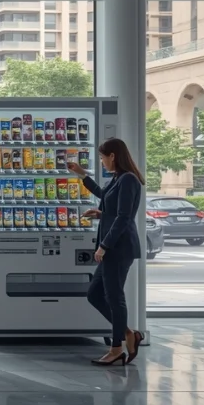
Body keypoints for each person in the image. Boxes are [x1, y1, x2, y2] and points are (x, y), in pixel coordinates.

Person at [68, 137, 145, 366]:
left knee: (114, 298)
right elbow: (106, 198)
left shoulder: (128, 180)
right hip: (114, 247)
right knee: (94, 294)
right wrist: (82, 175)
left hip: (119, 248)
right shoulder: (119, 178)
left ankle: (116, 348)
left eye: (103, 158)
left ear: (113, 156)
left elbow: (124, 217)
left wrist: (104, 245)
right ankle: (129, 334)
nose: (102, 162)